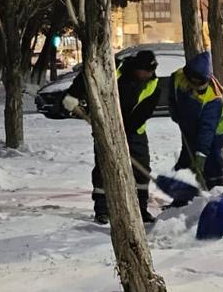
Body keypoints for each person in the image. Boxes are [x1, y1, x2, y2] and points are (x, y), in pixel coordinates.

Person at [64, 50, 160, 225]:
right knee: (104, 167)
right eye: (144, 71)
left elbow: (142, 114)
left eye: (150, 72)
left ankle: (140, 209)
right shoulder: (115, 68)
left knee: (141, 171)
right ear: (136, 67)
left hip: (134, 131)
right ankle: (102, 210)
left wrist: (122, 135)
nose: (147, 75)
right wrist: (73, 94)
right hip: (104, 126)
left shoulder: (153, 85)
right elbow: (88, 75)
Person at [167, 51, 223, 206]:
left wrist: (201, 154)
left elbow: (207, 129)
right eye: (196, 84)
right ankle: (181, 200)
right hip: (189, 126)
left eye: (202, 85)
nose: (199, 88)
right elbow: (172, 97)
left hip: (214, 133)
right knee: (186, 161)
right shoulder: (177, 78)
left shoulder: (213, 97)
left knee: (211, 161)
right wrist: (175, 113)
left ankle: (216, 195)